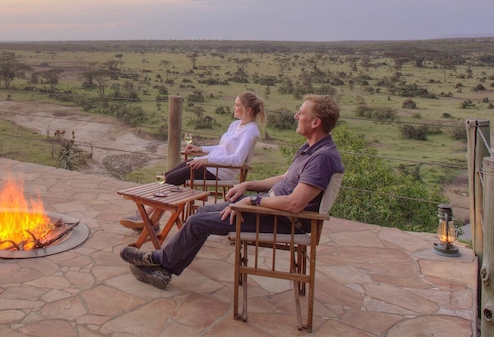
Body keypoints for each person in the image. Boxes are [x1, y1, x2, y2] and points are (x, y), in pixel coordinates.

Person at [119, 94, 345, 290]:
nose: (296, 116)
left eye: (301, 113)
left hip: (282, 219)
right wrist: (248, 186)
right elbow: (285, 178)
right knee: (198, 215)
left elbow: (295, 204)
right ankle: (164, 268)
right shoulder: (310, 149)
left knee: (199, 223)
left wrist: (253, 202)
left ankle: (159, 262)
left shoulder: (322, 158)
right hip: (270, 207)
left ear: (315, 122)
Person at [119, 91, 265, 230]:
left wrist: (207, 160)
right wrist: (200, 149)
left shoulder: (250, 131)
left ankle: (145, 217)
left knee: (172, 178)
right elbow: (222, 148)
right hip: (211, 164)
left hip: (221, 171)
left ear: (249, 109)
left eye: (237, 105)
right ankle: (152, 221)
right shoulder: (235, 125)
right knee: (168, 175)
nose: (234, 107)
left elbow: (238, 160)